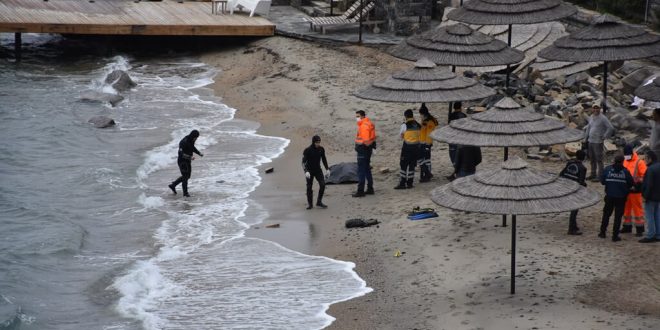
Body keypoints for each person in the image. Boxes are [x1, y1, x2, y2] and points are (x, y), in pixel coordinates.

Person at [599, 154, 633, 242]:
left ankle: (602, 232)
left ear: (614, 160)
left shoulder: (608, 169)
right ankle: (615, 236)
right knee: (618, 217)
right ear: (623, 162)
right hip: (621, 197)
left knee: (606, 214)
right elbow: (631, 183)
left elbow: (602, 181)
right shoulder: (625, 171)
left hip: (609, 195)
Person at [559, 149, 587, 235]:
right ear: (584, 158)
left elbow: (561, 174)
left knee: (573, 209)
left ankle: (574, 225)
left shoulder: (570, 163)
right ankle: (571, 229)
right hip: (574, 190)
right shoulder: (582, 168)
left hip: (566, 187)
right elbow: (581, 182)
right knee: (574, 210)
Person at [584, 104, 615, 181]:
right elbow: (588, 127)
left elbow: (610, 128)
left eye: (597, 108)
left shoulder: (603, 118)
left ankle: (600, 176)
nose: (595, 109)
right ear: (592, 109)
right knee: (592, 159)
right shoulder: (591, 117)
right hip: (590, 140)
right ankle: (593, 174)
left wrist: (605, 136)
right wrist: (585, 138)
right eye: (594, 108)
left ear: (600, 109)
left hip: (598, 141)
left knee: (599, 159)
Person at [622, 144, 647, 236]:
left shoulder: (639, 162)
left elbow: (645, 176)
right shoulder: (624, 161)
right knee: (626, 209)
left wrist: (638, 180)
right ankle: (627, 226)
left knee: (638, 210)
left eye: (628, 154)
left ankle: (639, 229)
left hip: (636, 190)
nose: (626, 157)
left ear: (632, 153)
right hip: (626, 189)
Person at [169, 129, 203, 197]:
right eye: (196, 138)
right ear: (193, 136)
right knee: (185, 177)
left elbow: (192, 147)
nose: (196, 139)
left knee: (187, 176)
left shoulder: (191, 140)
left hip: (187, 161)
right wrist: (189, 157)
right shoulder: (183, 142)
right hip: (182, 161)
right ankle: (185, 193)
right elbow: (180, 153)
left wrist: (199, 153)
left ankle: (173, 185)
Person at [395, 109, 421, 189]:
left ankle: (402, 183)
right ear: (413, 116)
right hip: (416, 148)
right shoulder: (418, 125)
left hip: (407, 147)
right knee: (412, 165)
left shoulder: (404, 125)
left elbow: (401, 136)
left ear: (405, 116)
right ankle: (410, 183)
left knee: (403, 165)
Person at [302, 135, 329, 209]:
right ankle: (310, 204)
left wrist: (327, 169)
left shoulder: (321, 149)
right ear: (313, 142)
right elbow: (303, 162)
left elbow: (324, 159)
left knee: (323, 184)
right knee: (309, 187)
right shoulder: (307, 150)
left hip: (318, 170)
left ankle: (319, 202)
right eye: (317, 142)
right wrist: (306, 171)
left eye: (319, 142)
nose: (318, 144)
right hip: (309, 171)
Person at [353, 110, 376, 197]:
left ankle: (360, 191)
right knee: (367, 169)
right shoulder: (370, 123)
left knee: (361, 170)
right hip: (368, 150)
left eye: (358, 116)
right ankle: (370, 188)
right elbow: (373, 137)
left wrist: (365, 146)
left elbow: (366, 141)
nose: (357, 118)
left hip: (363, 149)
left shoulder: (363, 126)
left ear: (362, 116)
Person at [641, 150, 660, 243]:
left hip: (651, 196)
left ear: (650, 159)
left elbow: (649, 185)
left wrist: (645, 196)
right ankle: (658, 234)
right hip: (658, 196)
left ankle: (650, 235)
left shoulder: (650, 169)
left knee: (649, 216)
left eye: (645, 158)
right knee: (657, 215)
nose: (644, 160)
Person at [447, 102, 467, 180]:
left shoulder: (451, 116)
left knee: (454, 157)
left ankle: (457, 172)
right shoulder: (464, 116)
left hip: (453, 139)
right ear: (461, 107)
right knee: (460, 156)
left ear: (454, 108)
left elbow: (449, 127)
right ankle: (456, 172)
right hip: (461, 139)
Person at [418, 104, 438, 183]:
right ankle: (425, 174)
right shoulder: (425, 120)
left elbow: (429, 135)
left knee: (426, 160)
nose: (420, 116)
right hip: (422, 143)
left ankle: (428, 175)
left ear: (424, 114)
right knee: (424, 160)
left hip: (426, 144)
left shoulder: (430, 122)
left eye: (421, 115)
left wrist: (427, 146)